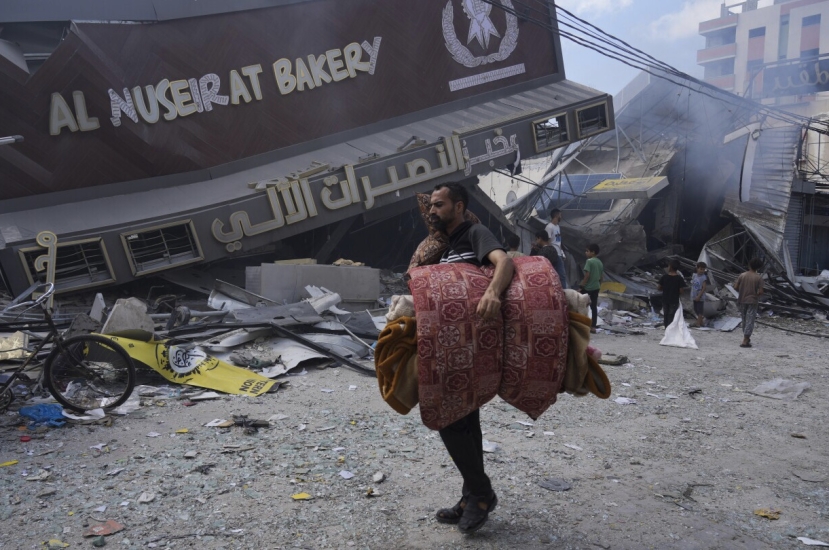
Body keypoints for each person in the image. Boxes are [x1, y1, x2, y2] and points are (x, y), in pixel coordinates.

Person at [428, 182, 514, 534]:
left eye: (439, 204)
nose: (432, 210)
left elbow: (503, 261)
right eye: (431, 205)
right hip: (452, 346)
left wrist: (493, 292)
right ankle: (469, 496)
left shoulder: (475, 233)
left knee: (445, 417)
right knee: (465, 421)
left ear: (458, 206)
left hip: (475, 344)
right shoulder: (446, 248)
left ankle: (481, 494)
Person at [734, 257, 764, 348]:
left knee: (744, 319)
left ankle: (745, 337)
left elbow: (735, 287)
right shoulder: (759, 278)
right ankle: (745, 340)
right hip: (752, 300)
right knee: (750, 320)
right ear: (758, 267)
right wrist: (756, 295)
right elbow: (761, 291)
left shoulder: (742, 275)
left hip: (742, 300)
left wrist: (742, 291)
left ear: (749, 265)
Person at [579, 243, 603, 333]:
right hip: (596, 287)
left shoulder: (589, 261)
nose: (586, 253)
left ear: (592, 252)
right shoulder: (599, 262)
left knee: (581, 305)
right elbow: (601, 277)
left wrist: (581, 286)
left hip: (588, 288)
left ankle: (581, 324)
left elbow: (587, 275)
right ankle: (593, 326)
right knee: (594, 307)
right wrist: (599, 285)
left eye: (587, 251)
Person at [658, 259, 687, 328]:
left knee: (666, 314)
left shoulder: (664, 277)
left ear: (670, 267)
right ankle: (670, 329)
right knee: (672, 315)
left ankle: (666, 328)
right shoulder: (679, 278)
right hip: (674, 300)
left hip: (665, 299)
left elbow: (659, 288)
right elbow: (681, 291)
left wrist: (665, 288)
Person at [545, 208, 568, 288]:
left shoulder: (557, 227)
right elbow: (547, 241)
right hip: (553, 254)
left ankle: (562, 291)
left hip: (559, 253)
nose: (561, 217)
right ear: (556, 215)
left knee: (560, 275)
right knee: (561, 274)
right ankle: (564, 292)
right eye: (560, 215)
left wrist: (562, 252)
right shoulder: (549, 227)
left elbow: (559, 241)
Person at [691, 262, 709, 328]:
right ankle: (701, 322)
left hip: (700, 296)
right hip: (694, 295)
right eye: (701, 269)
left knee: (699, 310)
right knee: (695, 309)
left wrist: (699, 296)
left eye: (703, 269)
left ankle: (698, 323)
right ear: (697, 269)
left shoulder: (703, 277)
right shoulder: (695, 275)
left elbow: (704, 288)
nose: (702, 271)